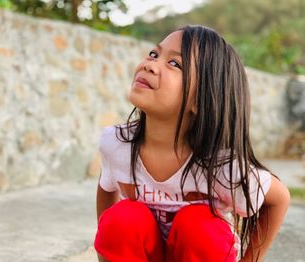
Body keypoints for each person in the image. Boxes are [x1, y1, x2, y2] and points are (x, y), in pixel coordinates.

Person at [94, 25, 290, 262]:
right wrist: (111, 243)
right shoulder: (117, 143)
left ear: (199, 99)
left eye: (174, 64)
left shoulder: (224, 167)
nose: (149, 64)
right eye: (154, 54)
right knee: (122, 219)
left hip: (199, 253)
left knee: (199, 227)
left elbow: (279, 199)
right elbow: (106, 189)